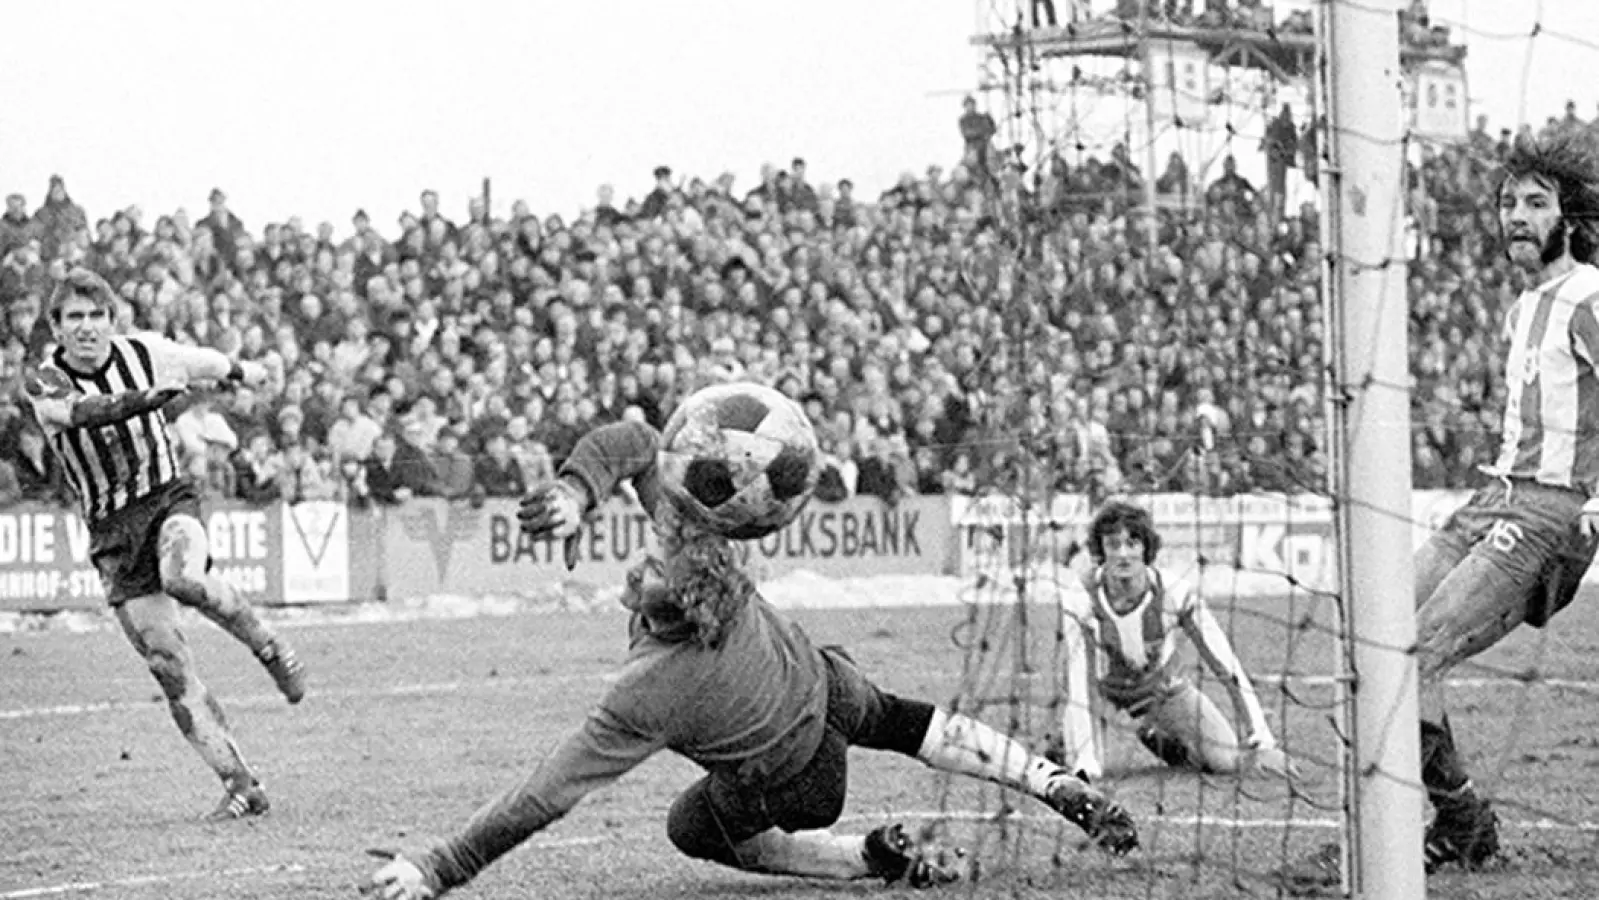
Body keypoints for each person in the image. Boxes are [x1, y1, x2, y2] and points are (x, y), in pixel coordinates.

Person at [363, 416, 1139, 899]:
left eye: (646, 572)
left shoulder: (647, 693)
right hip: (828, 686)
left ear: (668, 599)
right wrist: (577, 491)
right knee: (905, 721)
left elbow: (543, 795)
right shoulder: (701, 555)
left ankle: (860, 861)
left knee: (691, 827)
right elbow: (637, 442)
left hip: (802, 784)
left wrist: (439, 866)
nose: (637, 567)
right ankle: (1049, 781)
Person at [1282, 133, 1599, 891]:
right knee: (1372, 637)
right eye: (1507, 203)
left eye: (1535, 203)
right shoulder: (1522, 308)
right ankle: (1444, 820)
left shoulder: (1588, 297)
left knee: (1417, 653)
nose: (1516, 216)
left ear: (1570, 217)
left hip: (1546, 516)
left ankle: (1455, 825)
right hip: (1492, 500)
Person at [19, 267, 307, 820]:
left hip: (165, 498)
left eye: (96, 315)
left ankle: (270, 647)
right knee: (167, 664)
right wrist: (148, 399)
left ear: (111, 320)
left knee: (184, 576)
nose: (86, 327)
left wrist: (245, 371)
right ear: (56, 327)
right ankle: (241, 783)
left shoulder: (144, 352)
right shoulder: (44, 381)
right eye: (74, 317)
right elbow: (77, 413)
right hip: (112, 531)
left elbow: (202, 361)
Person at [1049, 501, 1294, 781]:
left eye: (1132, 543)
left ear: (1146, 547)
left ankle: (1158, 736)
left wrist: (1261, 738)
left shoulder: (1176, 593)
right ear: (1101, 550)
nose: (1123, 554)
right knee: (1094, 769)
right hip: (1101, 698)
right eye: (1113, 545)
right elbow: (1079, 681)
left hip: (1162, 692)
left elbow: (1224, 662)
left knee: (1225, 762)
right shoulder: (1080, 598)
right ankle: (1064, 742)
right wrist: (1085, 759)